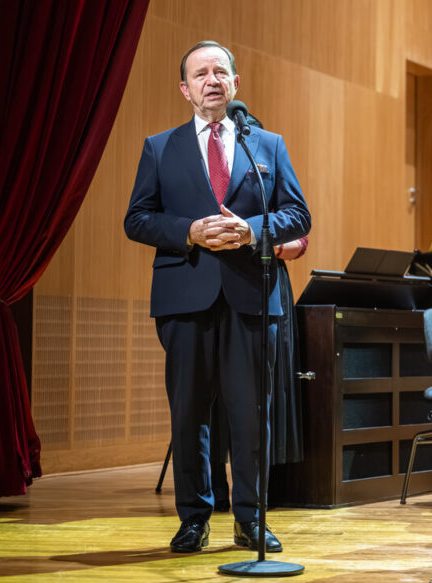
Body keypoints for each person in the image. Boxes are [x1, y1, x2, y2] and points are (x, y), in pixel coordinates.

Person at [124, 41, 311, 554]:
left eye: (221, 72)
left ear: (235, 83)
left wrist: (250, 230)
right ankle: (193, 518)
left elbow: (299, 215)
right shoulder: (160, 147)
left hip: (252, 296)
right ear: (185, 89)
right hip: (185, 298)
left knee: (252, 413)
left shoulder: (265, 145)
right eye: (201, 74)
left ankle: (251, 518)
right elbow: (136, 219)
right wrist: (190, 231)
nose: (212, 80)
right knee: (189, 413)